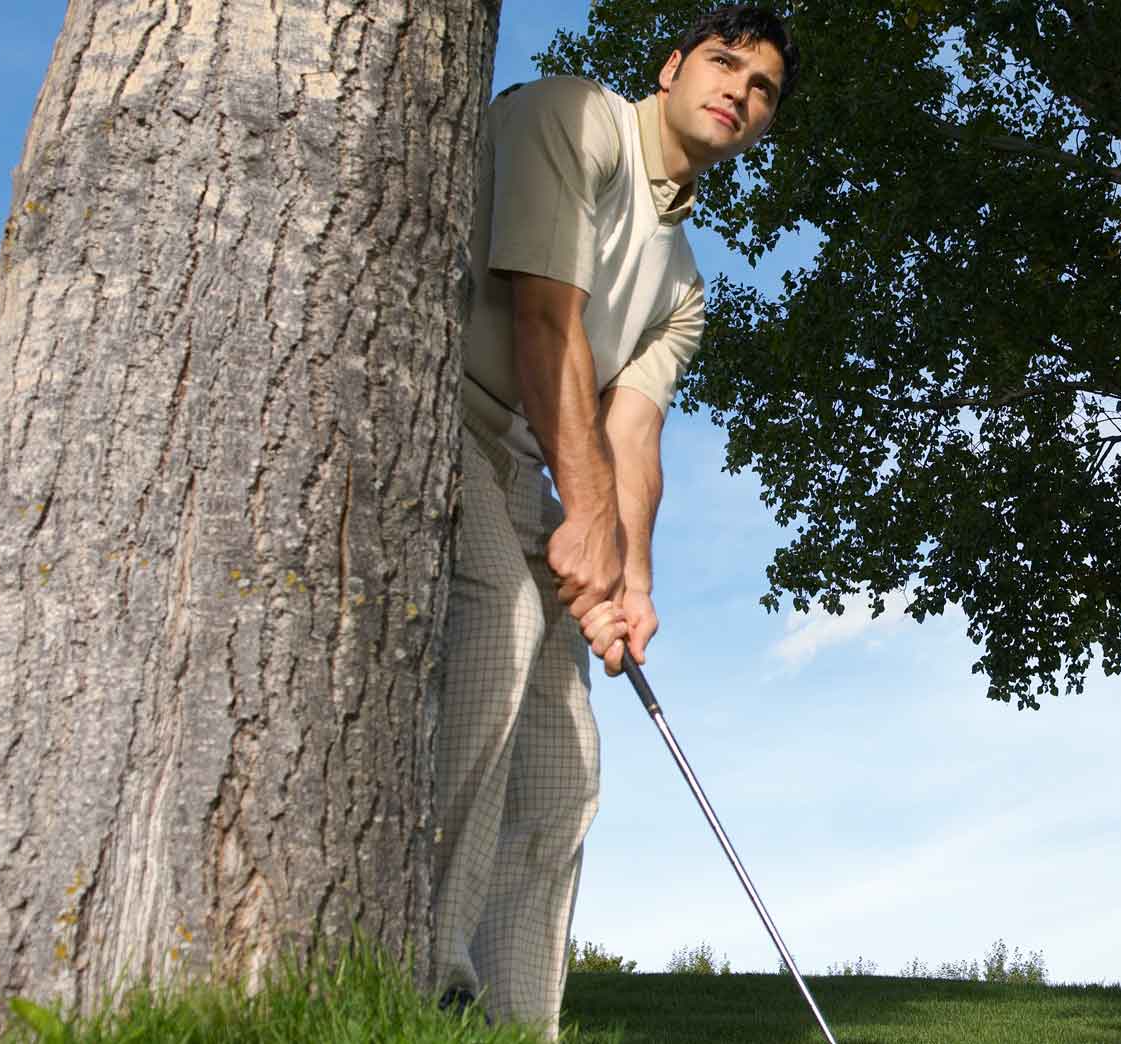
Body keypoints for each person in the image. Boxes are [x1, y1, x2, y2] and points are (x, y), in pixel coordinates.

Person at [430, 6, 800, 1036]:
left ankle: (517, 1021)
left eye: (762, 87)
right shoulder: (572, 117)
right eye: (723, 64)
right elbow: (546, 318)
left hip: (526, 461)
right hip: (438, 413)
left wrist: (631, 582)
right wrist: (584, 522)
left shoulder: (684, 284)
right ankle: (423, 966)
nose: (739, 90)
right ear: (672, 68)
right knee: (501, 629)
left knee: (567, 764)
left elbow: (632, 436)